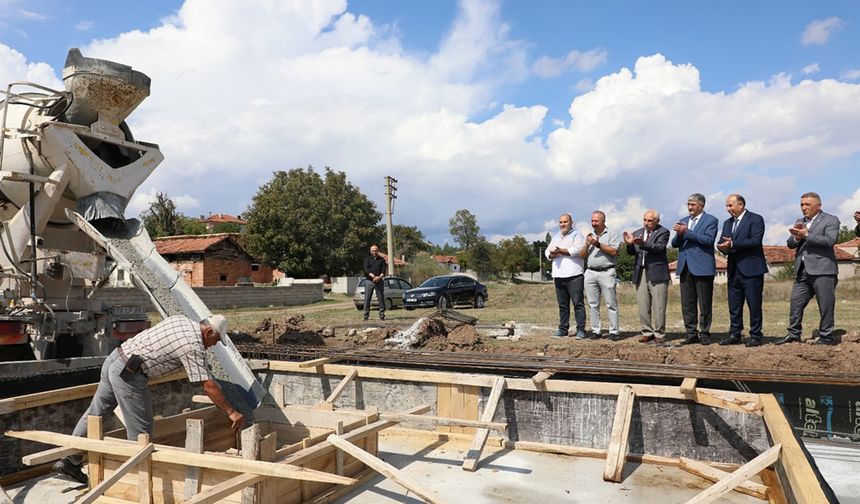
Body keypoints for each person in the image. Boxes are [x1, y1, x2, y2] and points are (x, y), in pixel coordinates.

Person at [52, 315, 244, 484]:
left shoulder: (181, 320)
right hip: (130, 373)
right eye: (216, 340)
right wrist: (231, 412)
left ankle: (69, 460)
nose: (214, 345)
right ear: (209, 331)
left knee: (95, 413)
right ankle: (134, 479)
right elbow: (208, 385)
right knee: (141, 431)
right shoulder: (193, 345)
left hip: (115, 359)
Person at [776, 192, 841, 346]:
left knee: (825, 305)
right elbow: (790, 243)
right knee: (795, 303)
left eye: (807, 204)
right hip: (802, 270)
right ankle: (794, 334)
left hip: (823, 270)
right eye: (802, 205)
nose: (804, 208)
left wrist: (806, 235)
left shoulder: (831, 220)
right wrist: (797, 237)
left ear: (818, 205)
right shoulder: (800, 221)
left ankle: (826, 336)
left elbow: (830, 241)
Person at [717, 194, 768, 347]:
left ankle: (755, 335)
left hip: (752, 269)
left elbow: (755, 241)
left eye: (730, 206)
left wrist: (732, 244)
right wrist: (721, 248)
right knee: (734, 305)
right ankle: (735, 334)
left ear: (741, 205)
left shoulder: (755, 219)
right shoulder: (727, 223)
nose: (728, 209)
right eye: (726, 206)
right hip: (733, 270)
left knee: (754, 304)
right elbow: (722, 242)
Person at [672, 193, 719, 346]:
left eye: (693, 204)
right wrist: (679, 233)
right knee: (687, 303)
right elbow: (674, 244)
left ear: (701, 205)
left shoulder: (711, 220)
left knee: (704, 303)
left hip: (703, 267)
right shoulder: (683, 221)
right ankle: (691, 333)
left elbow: (708, 240)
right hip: (685, 266)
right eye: (688, 204)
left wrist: (687, 232)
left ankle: (704, 332)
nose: (690, 207)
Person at [624, 210, 670, 344]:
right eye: (645, 220)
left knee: (659, 305)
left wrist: (643, 243)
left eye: (650, 221)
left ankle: (659, 334)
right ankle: (647, 332)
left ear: (657, 221)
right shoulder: (638, 232)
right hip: (641, 272)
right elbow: (632, 253)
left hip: (657, 272)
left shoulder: (663, 232)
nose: (646, 223)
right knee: (643, 304)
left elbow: (660, 248)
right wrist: (629, 244)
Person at [578, 210, 620, 340]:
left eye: (596, 221)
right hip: (591, 272)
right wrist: (586, 244)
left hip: (607, 272)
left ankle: (614, 331)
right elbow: (582, 256)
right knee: (593, 304)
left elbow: (614, 251)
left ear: (603, 221)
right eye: (592, 221)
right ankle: (596, 331)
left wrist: (598, 244)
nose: (593, 223)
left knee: (611, 304)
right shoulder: (589, 236)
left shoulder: (611, 234)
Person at [546, 213, 586, 338]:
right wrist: (552, 254)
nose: (563, 224)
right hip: (559, 275)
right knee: (563, 305)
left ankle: (581, 330)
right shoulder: (556, 236)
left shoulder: (577, 235)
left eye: (565, 222)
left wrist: (561, 251)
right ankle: (563, 329)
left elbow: (577, 250)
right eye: (561, 222)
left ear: (571, 222)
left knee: (578, 304)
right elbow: (548, 251)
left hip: (574, 275)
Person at [362, 244, 387, 321]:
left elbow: (383, 271)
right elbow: (366, 270)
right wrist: (373, 277)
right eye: (373, 251)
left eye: (376, 250)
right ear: (370, 251)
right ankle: (366, 316)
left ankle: (382, 315)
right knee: (367, 299)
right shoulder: (367, 260)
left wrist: (379, 277)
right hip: (369, 281)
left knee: (381, 298)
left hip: (379, 281)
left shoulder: (382, 260)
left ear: (378, 250)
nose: (374, 252)